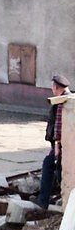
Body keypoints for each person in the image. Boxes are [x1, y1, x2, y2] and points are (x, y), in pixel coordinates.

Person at [37, 74, 71, 210]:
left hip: (61, 144)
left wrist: (56, 144)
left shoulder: (61, 102)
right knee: (58, 168)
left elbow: (58, 125)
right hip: (61, 144)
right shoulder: (67, 99)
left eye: (53, 86)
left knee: (50, 166)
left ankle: (44, 201)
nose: (52, 89)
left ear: (57, 88)